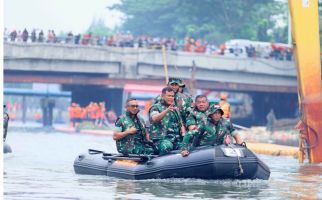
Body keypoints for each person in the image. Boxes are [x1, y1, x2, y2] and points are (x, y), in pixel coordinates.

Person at [149, 87, 186, 155]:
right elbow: (155, 118)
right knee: (167, 146)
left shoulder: (175, 109)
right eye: (169, 96)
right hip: (161, 140)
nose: (171, 98)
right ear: (163, 96)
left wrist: (184, 137)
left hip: (176, 140)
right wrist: (166, 110)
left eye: (172, 96)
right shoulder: (156, 107)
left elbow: (181, 124)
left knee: (188, 147)